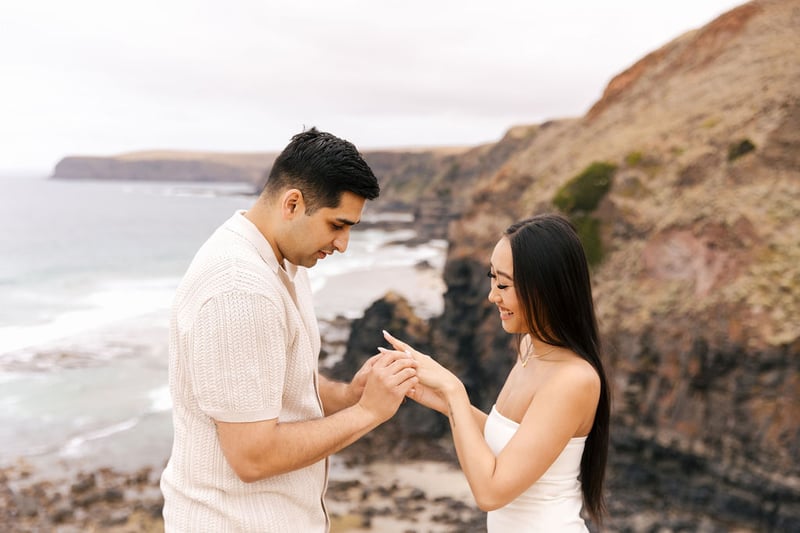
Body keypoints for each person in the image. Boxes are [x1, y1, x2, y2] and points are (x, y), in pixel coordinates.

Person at [160, 127, 418, 532]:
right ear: (293, 203)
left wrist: (349, 396)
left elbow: (274, 380)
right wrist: (369, 413)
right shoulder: (240, 290)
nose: (343, 243)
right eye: (337, 225)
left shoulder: (285, 260)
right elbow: (253, 457)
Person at [382, 213, 610, 532]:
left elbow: (490, 493)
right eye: (492, 278)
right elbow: (511, 440)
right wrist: (444, 402)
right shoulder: (529, 347)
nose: (492, 296)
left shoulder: (573, 379)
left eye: (503, 284)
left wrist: (454, 390)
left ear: (546, 289)